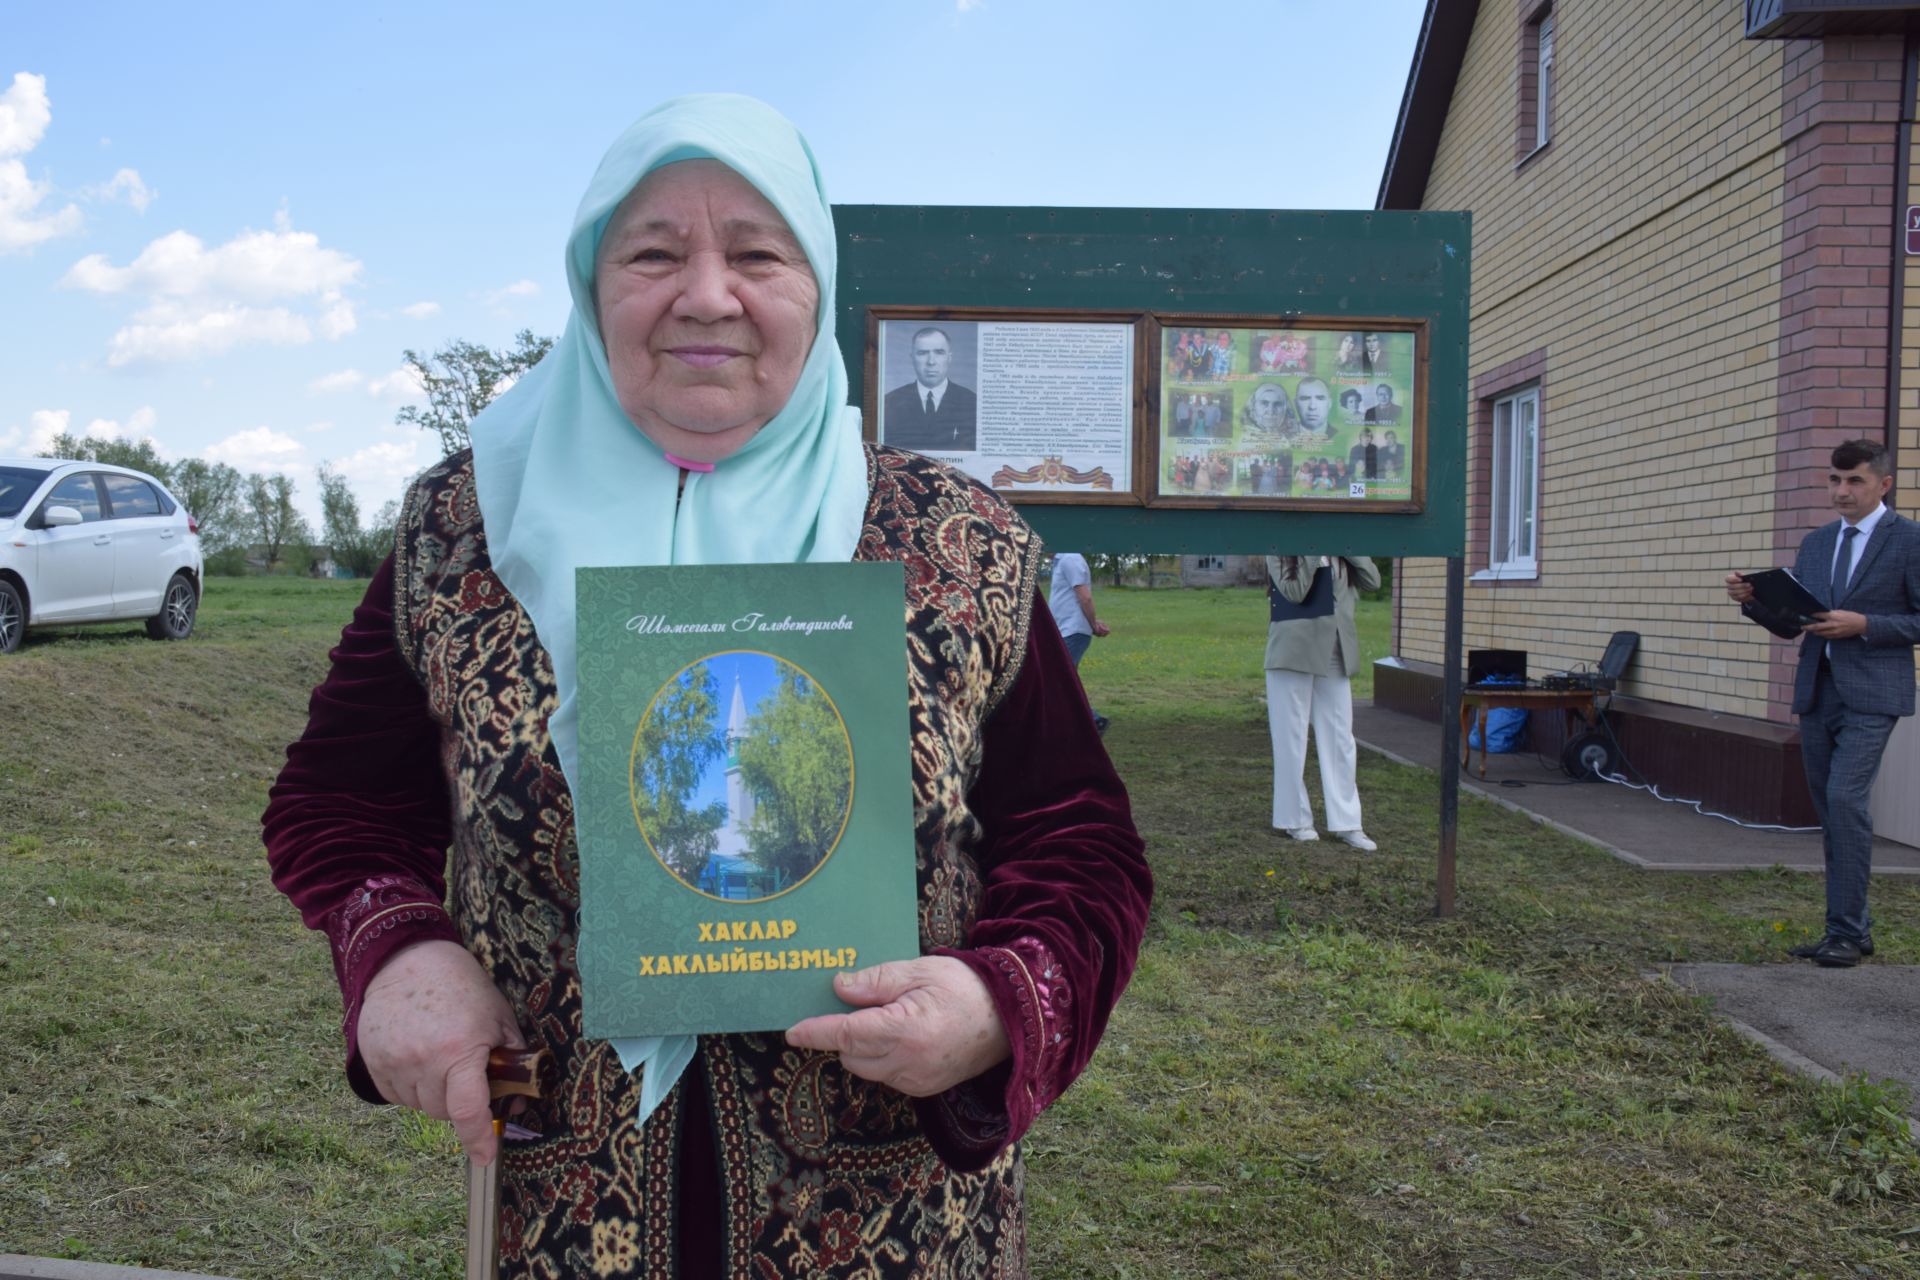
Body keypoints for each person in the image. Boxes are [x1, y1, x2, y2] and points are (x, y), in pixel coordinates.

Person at [261, 95, 1151, 1277]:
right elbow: (341, 804)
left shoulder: (958, 544)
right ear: (592, 284)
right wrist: (397, 948)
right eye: (653, 252)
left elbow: (1081, 840)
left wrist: (996, 1003)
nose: (707, 294)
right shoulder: (466, 528)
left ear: (816, 283)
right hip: (561, 1214)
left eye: (756, 251)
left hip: (892, 1225)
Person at [1726, 438, 1920, 968]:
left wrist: (1867, 625)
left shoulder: (1909, 541)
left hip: (1874, 694)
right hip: (1817, 691)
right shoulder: (1816, 544)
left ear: (1883, 484)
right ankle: (1850, 929)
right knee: (1832, 812)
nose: (1841, 492)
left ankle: (1846, 930)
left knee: (1844, 801)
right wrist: (1754, 603)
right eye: (1834, 481)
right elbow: (1795, 626)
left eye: (1854, 481)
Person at [1265, 554, 1380, 849]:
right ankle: (1295, 820)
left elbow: (1373, 581)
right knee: (1291, 739)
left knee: (1341, 738)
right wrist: (1313, 553)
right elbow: (1294, 592)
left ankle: (1348, 823)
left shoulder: (1343, 551)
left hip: (1335, 654)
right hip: (1293, 653)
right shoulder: (1280, 549)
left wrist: (1351, 550)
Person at [883, 325, 978, 451]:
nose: (931, 362)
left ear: (949, 358)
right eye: (922, 353)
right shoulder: (890, 402)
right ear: (912, 359)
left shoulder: (971, 402)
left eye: (939, 352)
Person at [1048, 551, 1111, 734]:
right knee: (1065, 680)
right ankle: (1079, 724)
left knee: (1058, 679)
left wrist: (1092, 625)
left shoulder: (1070, 559)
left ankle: (1093, 721)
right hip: (1067, 631)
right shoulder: (1061, 562)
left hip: (1072, 632)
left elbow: (1085, 597)